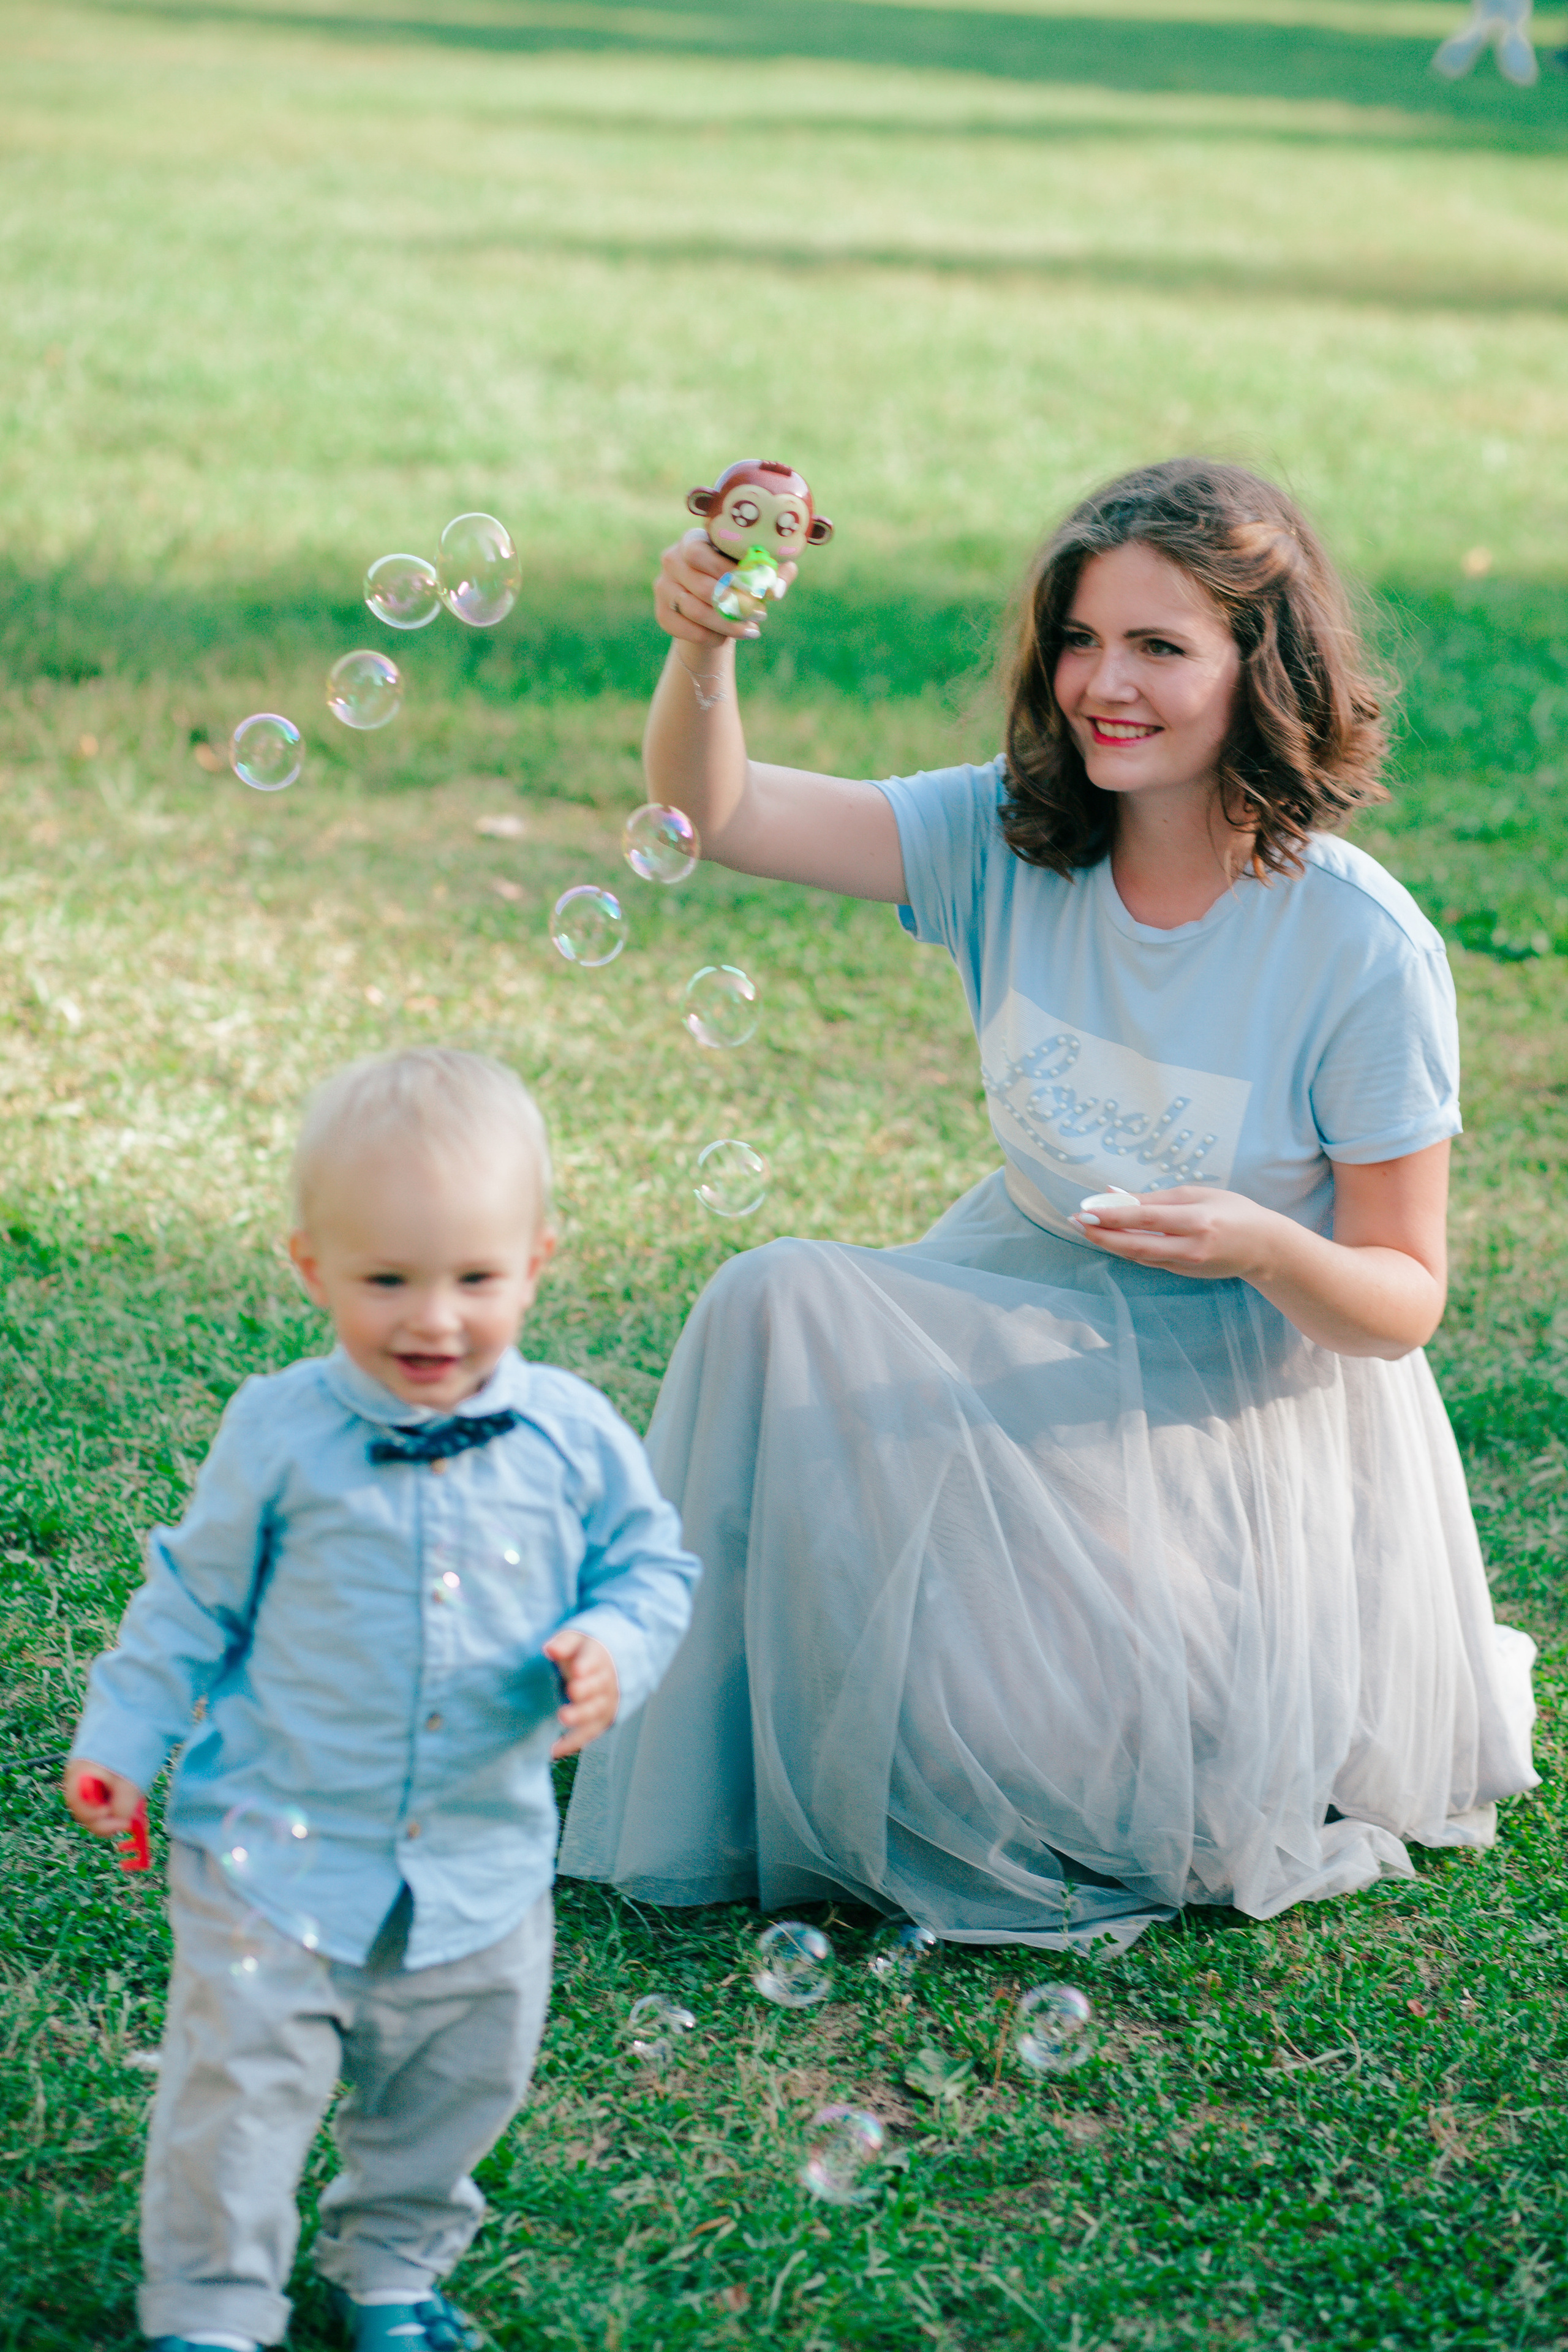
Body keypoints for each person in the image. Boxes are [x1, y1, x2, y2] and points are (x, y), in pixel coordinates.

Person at [559, 457, 1538, 1953]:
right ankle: (688, 1715)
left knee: (1068, 1777)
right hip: (1024, 1318)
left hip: (1237, 1408)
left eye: (1159, 646)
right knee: (777, 1294)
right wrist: (704, 642)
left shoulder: (1355, 946)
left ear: (1256, 671)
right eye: (1079, 640)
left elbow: (1401, 1297)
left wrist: (1264, 1245)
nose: (1103, 684)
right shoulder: (1003, 844)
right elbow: (722, 812)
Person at [65, 1049, 701, 2352]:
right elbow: (191, 1602)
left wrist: (613, 1645)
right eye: (387, 1280)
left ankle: (394, 2269)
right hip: (269, 1855)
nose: (435, 1320)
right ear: (311, 1270)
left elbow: (652, 1568)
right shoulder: (279, 1432)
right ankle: (213, 2306)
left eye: (475, 1278)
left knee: (453, 2087)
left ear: (534, 1261)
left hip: (479, 1863)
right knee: (237, 2096)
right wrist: (123, 1739)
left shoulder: (573, 1438)